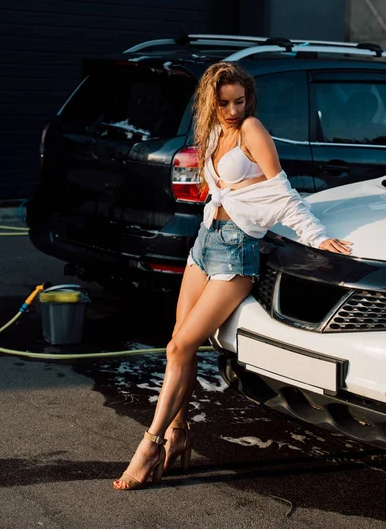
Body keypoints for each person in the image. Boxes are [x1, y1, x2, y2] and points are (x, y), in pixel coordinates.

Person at [113, 61, 352, 490]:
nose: (232, 109)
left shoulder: (251, 130)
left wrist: (318, 236)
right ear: (211, 100)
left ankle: (150, 444)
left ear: (248, 99)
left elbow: (283, 194)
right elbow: (218, 188)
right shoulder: (215, 130)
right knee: (178, 346)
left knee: (180, 345)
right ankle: (179, 433)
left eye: (239, 101)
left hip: (235, 252)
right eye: (224, 102)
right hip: (205, 242)